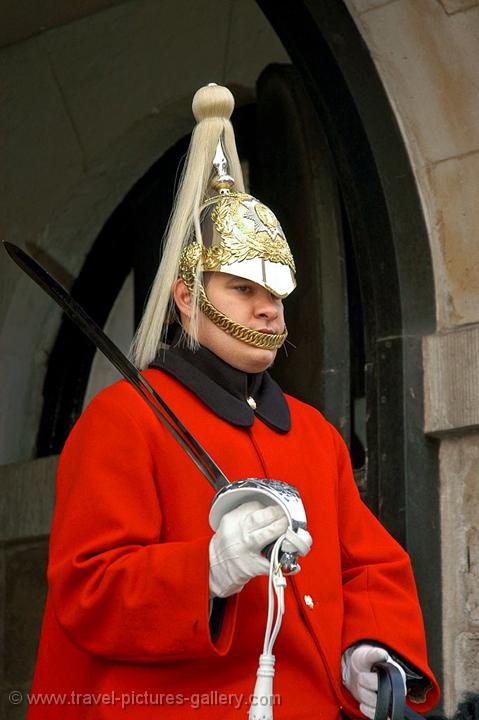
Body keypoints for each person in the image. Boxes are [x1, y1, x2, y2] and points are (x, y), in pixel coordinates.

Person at [28, 84, 439, 719]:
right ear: (188, 298)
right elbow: (88, 590)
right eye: (243, 287)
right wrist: (208, 571)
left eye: (276, 290)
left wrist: (367, 643)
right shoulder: (123, 419)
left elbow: (369, 569)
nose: (268, 307)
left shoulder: (314, 434)